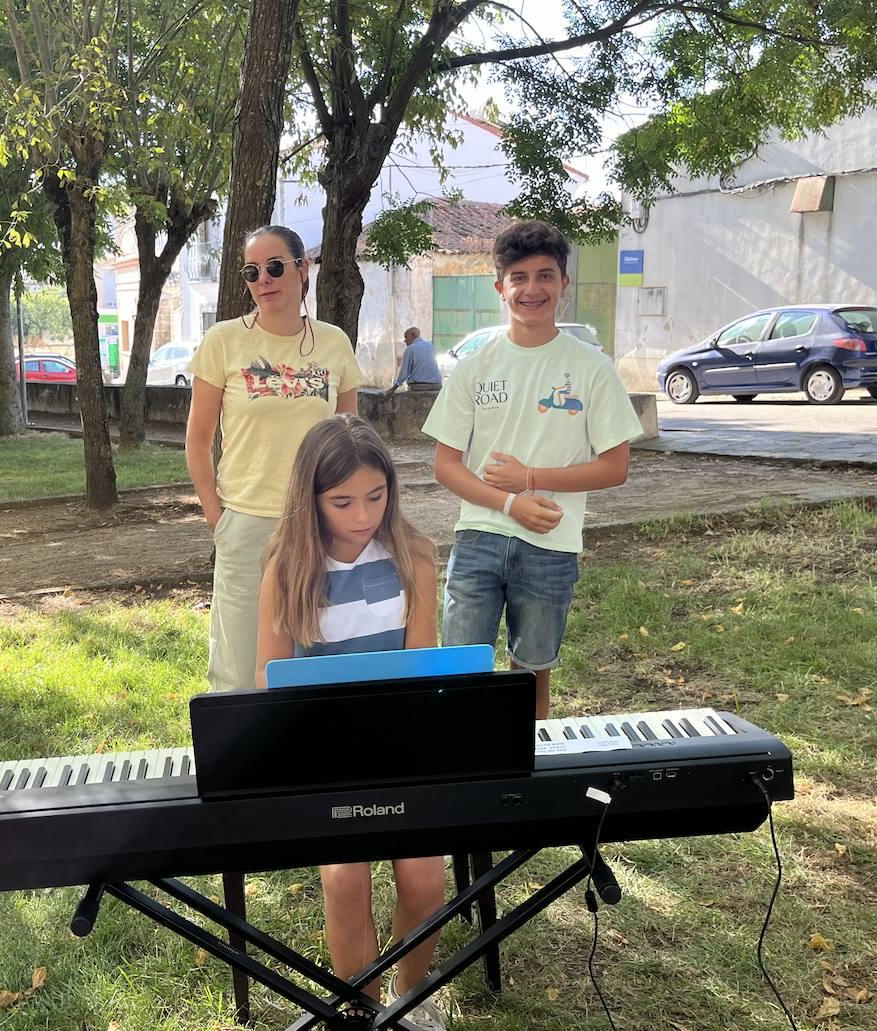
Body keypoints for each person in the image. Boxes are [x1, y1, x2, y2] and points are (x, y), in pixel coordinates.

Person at [254, 415, 449, 1030]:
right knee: (344, 882)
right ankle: (359, 1010)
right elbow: (269, 679)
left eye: (376, 496)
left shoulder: (414, 558)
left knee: (425, 882)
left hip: (404, 748)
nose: (362, 515)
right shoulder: (288, 568)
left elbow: (423, 671)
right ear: (310, 499)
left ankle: (409, 1000)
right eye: (342, 502)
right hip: (324, 754)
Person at [422, 220, 644, 719]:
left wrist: (530, 478)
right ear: (500, 288)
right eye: (518, 277)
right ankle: (464, 761)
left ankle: (531, 761)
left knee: (532, 676)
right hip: (478, 538)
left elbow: (615, 467)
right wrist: (509, 503)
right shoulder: (474, 367)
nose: (532, 289)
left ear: (564, 283)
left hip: (551, 543)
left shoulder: (592, 367)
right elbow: (445, 465)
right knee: (461, 672)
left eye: (545, 276)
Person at [186, 226, 362, 692]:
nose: (263, 279)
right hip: (247, 522)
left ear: (303, 270)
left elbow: (351, 444)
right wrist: (219, 519)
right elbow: (198, 441)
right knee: (239, 668)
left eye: (275, 267)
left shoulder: (334, 343)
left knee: (313, 656)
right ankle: (239, 741)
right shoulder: (224, 341)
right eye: (252, 272)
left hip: (318, 524)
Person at [383, 326, 442, 398]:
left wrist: (393, 389)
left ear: (413, 335)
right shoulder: (430, 345)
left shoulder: (410, 349)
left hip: (420, 386)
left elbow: (404, 373)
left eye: (406, 337)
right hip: (436, 384)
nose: (405, 340)